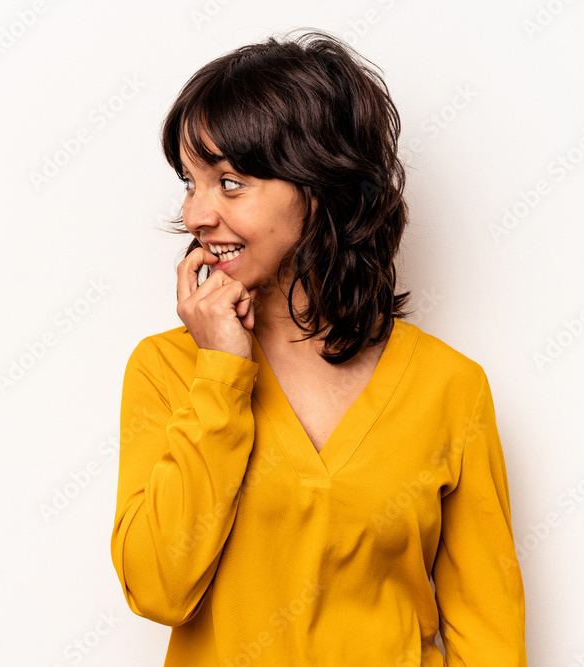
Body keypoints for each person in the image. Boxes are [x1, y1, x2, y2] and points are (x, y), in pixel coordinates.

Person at [109, 28, 527, 666]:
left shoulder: (450, 387)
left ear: (319, 186)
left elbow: (489, 634)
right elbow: (158, 588)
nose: (196, 214)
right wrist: (221, 372)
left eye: (229, 183)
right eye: (189, 183)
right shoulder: (168, 370)